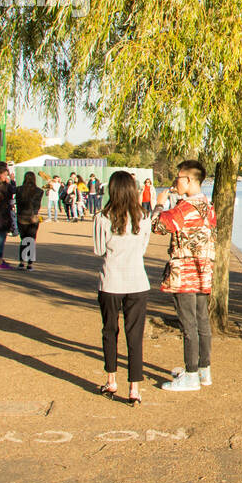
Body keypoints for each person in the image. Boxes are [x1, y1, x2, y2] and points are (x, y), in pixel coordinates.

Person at [151, 159, 217, 392]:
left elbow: (157, 226)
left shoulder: (182, 209)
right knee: (202, 322)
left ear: (189, 180)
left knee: (188, 324)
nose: (174, 182)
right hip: (202, 271)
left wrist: (159, 204)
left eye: (178, 178)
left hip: (184, 272)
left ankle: (190, 376)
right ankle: (203, 370)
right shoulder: (208, 207)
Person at [93, 171, 152, 405]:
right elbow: (143, 248)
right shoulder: (143, 217)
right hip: (137, 280)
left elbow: (99, 250)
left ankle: (111, 379)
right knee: (134, 334)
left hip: (111, 280)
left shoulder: (102, 217)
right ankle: (134, 387)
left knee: (109, 330)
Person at [16, 172, 44, 270]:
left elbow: (17, 203)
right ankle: (30, 263)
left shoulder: (19, 190)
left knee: (23, 239)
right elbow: (38, 206)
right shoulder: (39, 191)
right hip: (33, 217)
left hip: (21, 217)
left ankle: (21, 262)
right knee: (31, 240)